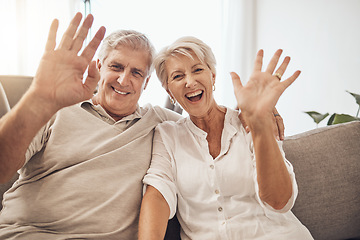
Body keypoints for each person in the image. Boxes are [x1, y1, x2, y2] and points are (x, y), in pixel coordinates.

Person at [0, 14, 284, 239]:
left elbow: (208, 121)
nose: (124, 80)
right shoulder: (55, 111)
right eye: (116, 67)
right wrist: (38, 99)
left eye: (137, 72)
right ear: (98, 66)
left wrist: (255, 114)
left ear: (147, 83)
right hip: (29, 234)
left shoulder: (161, 124)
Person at [138, 36, 314, 240]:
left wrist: (260, 126)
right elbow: (158, 195)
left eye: (197, 70)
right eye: (178, 76)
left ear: (212, 76)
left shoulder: (249, 121)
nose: (190, 81)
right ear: (169, 91)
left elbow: (279, 201)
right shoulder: (167, 135)